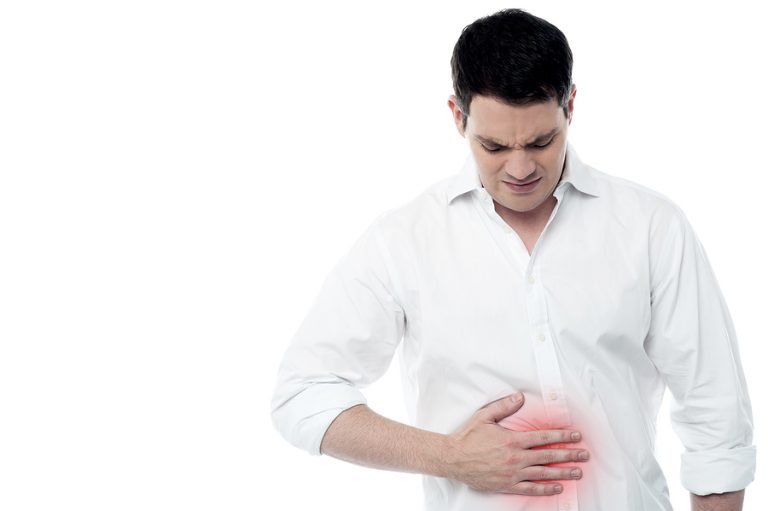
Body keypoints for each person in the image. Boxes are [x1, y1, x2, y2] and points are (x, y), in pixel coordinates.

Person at [270, 8, 755, 511]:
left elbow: (715, 415)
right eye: (494, 146)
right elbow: (302, 394)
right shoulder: (403, 241)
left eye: (542, 142)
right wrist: (449, 457)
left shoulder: (652, 226)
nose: (520, 168)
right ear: (458, 117)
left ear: (570, 106)